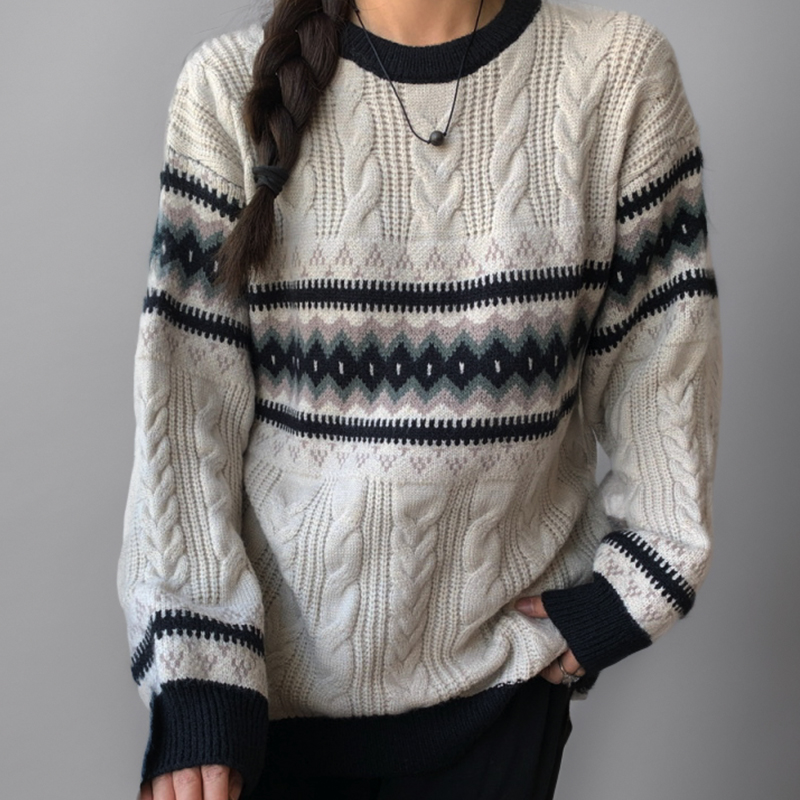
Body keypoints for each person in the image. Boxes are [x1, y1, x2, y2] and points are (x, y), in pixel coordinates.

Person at [119, 0, 720, 798]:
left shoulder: (615, 74)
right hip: (260, 709)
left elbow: (664, 359)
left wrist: (637, 589)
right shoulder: (226, 87)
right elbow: (185, 409)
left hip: (499, 697)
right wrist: (197, 676)